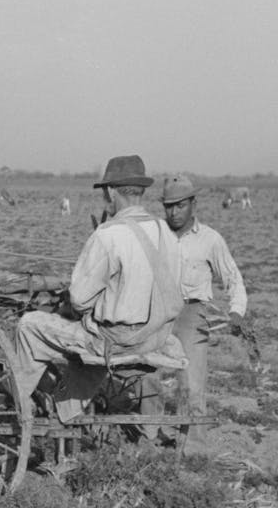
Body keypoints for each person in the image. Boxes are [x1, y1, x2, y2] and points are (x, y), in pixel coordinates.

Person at [14, 155, 185, 425]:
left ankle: (20, 411)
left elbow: (80, 300)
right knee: (89, 329)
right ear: (141, 191)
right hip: (156, 337)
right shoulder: (168, 233)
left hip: (113, 342)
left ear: (110, 191)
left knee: (29, 325)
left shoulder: (107, 235)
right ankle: (67, 405)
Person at [160, 174, 248, 423]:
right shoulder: (155, 236)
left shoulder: (210, 239)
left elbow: (233, 279)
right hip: (157, 314)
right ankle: (149, 440)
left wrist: (236, 312)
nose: (174, 212)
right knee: (148, 380)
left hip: (191, 315)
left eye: (180, 205)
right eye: (169, 206)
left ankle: (193, 449)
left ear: (193, 205)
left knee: (192, 385)